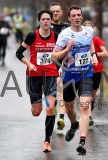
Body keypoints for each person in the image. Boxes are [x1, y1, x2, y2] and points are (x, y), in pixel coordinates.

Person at [15, 10, 72, 152]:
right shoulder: (32, 35)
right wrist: (29, 64)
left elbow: (62, 54)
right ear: (39, 21)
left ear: (51, 21)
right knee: (36, 112)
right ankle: (36, 104)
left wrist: (61, 65)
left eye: (48, 19)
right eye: (43, 19)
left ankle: (47, 141)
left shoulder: (56, 36)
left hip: (50, 75)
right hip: (34, 76)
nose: (46, 21)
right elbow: (18, 53)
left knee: (50, 108)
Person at [52, 5, 98, 155]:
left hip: (86, 73)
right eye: (74, 16)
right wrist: (67, 49)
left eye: (79, 15)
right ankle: (73, 125)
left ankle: (82, 142)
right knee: (69, 108)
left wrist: (94, 55)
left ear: (82, 17)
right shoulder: (64, 35)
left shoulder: (89, 31)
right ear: (69, 18)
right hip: (70, 76)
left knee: (85, 107)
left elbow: (90, 42)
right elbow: (54, 56)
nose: (77, 17)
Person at [49, 2, 70, 131]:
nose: (55, 13)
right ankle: (54, 108)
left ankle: (61, 118)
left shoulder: (67, 28)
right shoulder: (44, 26)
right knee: (51, 94)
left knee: (61, 89)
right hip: (49, 64)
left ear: (61, 13)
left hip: (63, 64)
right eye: (53, 12)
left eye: (57, 11)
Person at [83, 20, 108, 126]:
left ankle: (91, 104)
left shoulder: (96, 40)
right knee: (87, 94)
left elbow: (105, 53)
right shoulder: (80, 40)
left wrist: (93, 54)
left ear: (94, 29)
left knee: (94, 93)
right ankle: (88, 116)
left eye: (90, 28)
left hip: (97, 70)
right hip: (84, 70)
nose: (88, 31)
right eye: (86, 28)